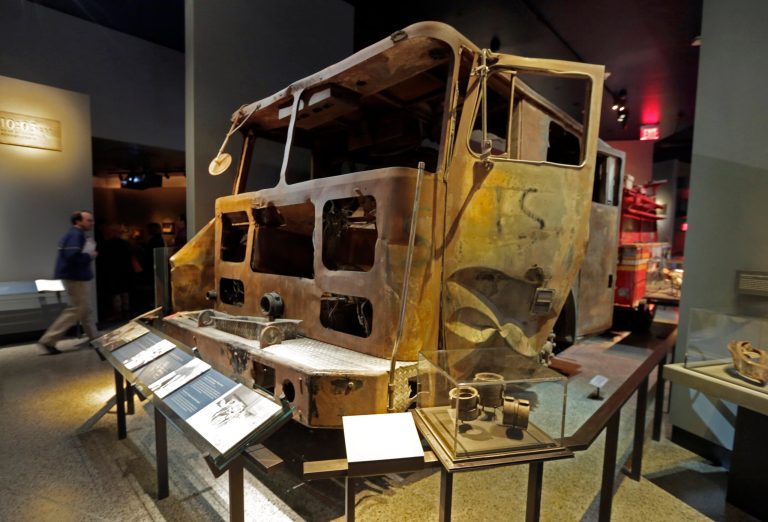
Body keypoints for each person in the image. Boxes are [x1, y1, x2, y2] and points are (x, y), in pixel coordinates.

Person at [38, 210, 99, 354]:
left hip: (77, 277)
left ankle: (95, 338)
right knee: (78, 309)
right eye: (88, 220)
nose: (91, 223)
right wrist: (90, 255)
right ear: (78, 221)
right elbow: (72, 256)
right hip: (76, 277)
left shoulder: (75, 234)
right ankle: (48, 340)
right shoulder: (75, 235)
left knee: (85, 309)